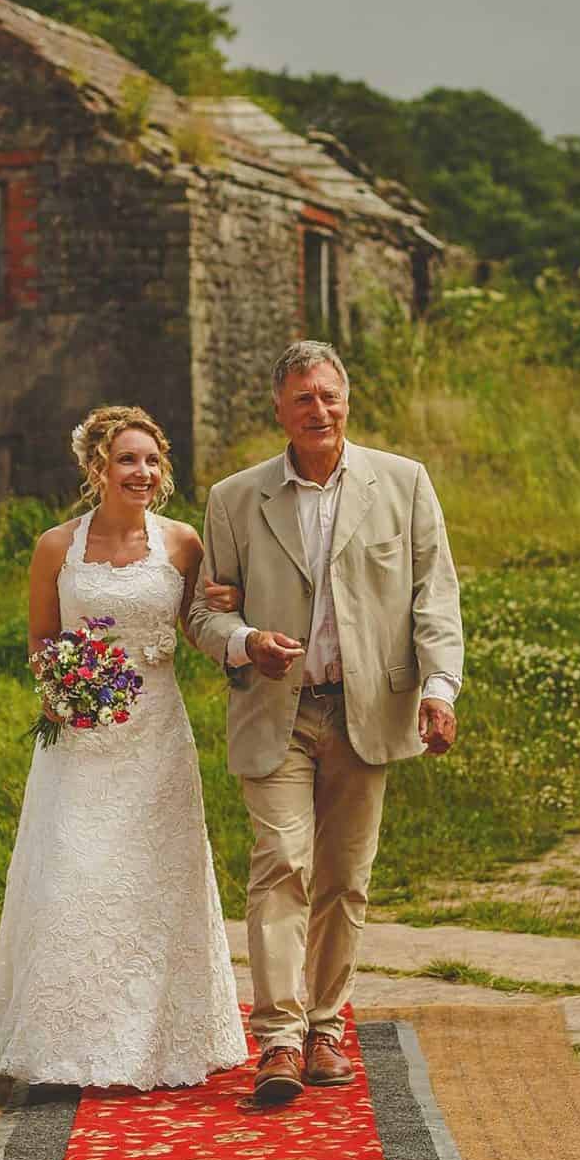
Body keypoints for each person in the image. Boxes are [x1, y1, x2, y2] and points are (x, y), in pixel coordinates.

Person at [184, 340, 466, 1106]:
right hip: (276, 710)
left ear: (348, 401)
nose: (319, 409)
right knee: (281, 862)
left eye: (330, 395)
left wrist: (440, 689)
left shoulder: (403, 484)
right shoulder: (235, 498)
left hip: (368, 709)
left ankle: (325, 1026)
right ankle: (276, 1039)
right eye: (304, 397)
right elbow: (208, 614)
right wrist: (246, 641)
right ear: (278, 408)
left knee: (344, 879)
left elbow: (433, 598)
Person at [0, 406, 249, 1088]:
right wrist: (61, 686)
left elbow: (199, 624)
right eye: (127, 459)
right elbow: (42, 638)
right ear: (98, 468)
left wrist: (233, 614)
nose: (142, 471)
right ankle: (64, 1044)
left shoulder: (183, 543)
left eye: (152, 461)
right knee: (75, 875)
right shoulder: (56, 547)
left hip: (156, 733)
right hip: (78, 737)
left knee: (155, 878)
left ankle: (158, 1041)